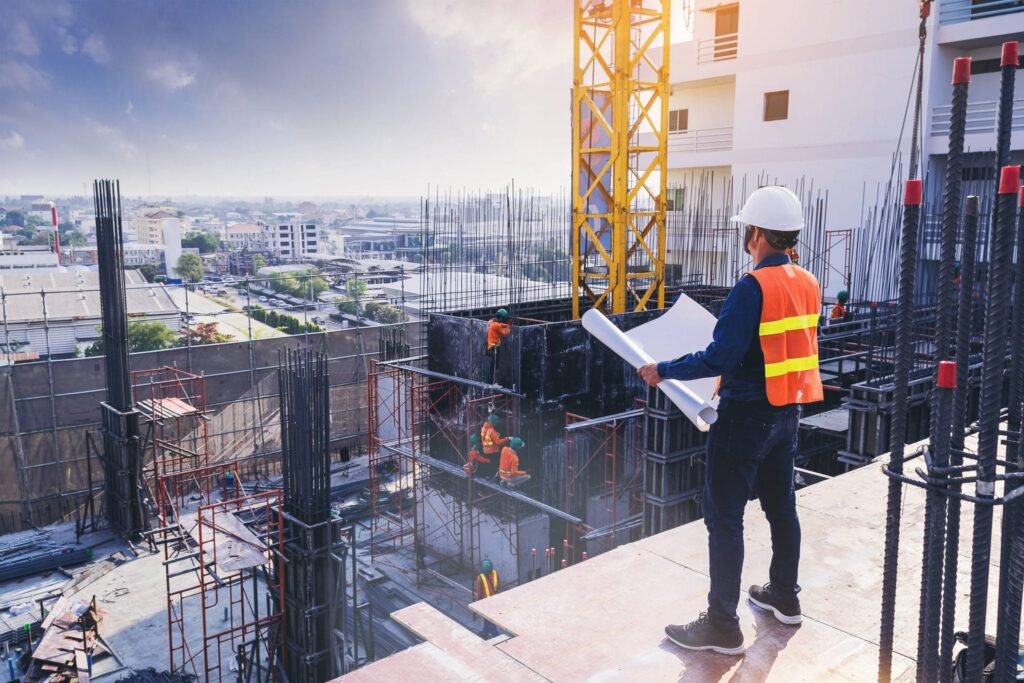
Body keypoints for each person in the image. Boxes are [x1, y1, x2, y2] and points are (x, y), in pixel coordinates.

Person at [638, 185, 823, 656]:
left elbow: (721, 355)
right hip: (787, 412)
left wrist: (664, 369)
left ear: (756, 233)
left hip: (744, 418)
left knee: (724, 518)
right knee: (781, 507)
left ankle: (722, 626)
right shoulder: (807, 281)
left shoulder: (751, 287)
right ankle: (785, 596)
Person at [474, 559, 501, 639]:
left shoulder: (480, 578)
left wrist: (477, 601)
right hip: (495, 600)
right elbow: (498, 585)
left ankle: (496, 635)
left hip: (486, 602)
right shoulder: (495, 573)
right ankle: (484, 633)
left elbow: (479, 592)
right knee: (487, 618)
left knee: (488, 619)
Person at [485, 308, 511, 383]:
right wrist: (509, 327)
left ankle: (490, 381)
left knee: (492, 365)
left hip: (489, 346)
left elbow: (500, 325)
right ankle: (491, 382)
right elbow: (504, 333)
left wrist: (506, 325)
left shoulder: (491, 322)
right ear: (502, 318)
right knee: (494, 366)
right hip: (495, 347)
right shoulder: (497, 326)